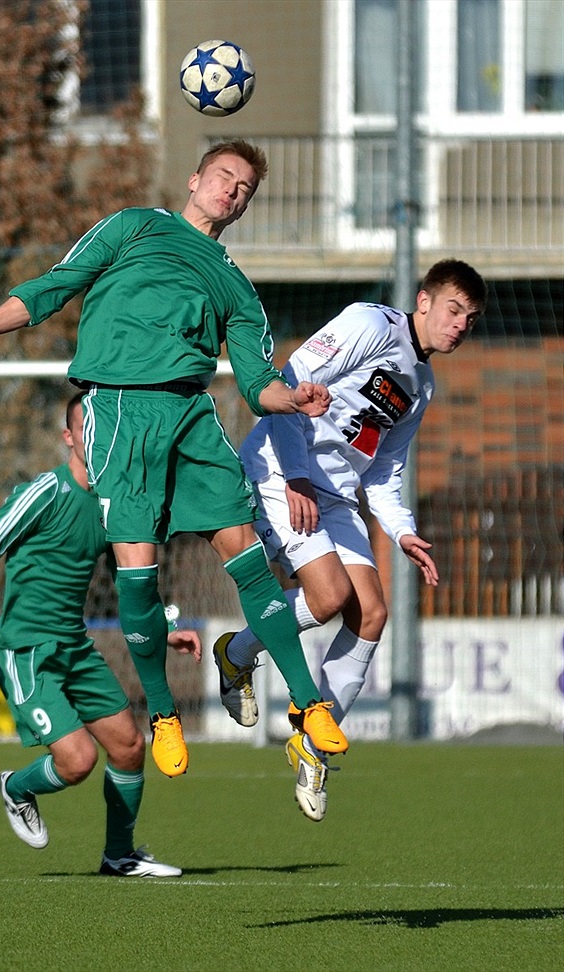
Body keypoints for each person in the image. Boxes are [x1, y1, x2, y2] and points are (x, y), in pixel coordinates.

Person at [0, 139, 348, 778]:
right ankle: (164, 714)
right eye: (223, 176)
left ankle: (308, 704)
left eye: (244, 189)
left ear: (244, 206)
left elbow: (258, 384)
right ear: (194, 179)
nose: (231, 190)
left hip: (191, 414)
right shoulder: (134, 226)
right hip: (119, 410)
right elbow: (55, 285)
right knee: (138, 571)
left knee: (247, 553)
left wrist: (293, 398)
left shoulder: (236, 287)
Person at [212, 259, 487, 821]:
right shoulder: (369, 323)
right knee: (330, 596)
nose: (460, 324)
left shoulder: (421, 385)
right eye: (454, 309)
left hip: (335, 496)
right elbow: (291, 383)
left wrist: (402, 530)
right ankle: (237, 653)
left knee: (372, 614)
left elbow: (383, 470)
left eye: (471, 318)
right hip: (282, 471)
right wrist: (295, 476)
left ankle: (310, 748)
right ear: (424, 301)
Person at [0, 393, 201, 877]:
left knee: (129, 746)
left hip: (75, 646)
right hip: (27, 650)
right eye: (86, 428)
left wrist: (165, 628)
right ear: (68, 437)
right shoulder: (45, 491)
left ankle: (120, 856)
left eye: (104, 426)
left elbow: (131, 581)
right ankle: (15, 788)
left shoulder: (113, 507)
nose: (97, 436)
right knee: (78, 761)